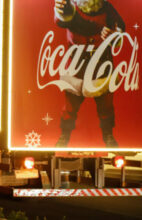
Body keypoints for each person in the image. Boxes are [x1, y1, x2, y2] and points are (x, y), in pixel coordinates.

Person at [54, 0, 125, 147]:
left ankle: (108, 136)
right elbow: (61, 20)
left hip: (101, 64)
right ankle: (64, 136)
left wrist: (113, 36)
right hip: (76, 64)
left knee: (106, 107)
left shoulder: (107, 8)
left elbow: (120, 28)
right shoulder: (70, 7)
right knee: (69, 108)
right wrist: (61, 10)